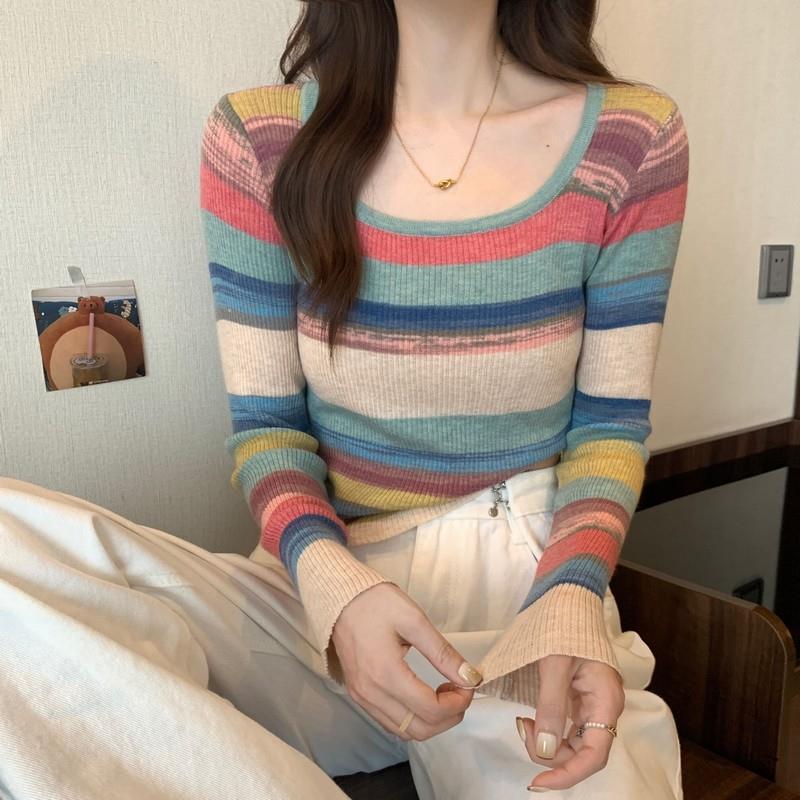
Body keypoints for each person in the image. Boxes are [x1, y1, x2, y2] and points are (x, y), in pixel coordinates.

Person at [0, 0, 689, 798]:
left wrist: (571, 595)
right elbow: (267, 431)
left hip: (520, 593)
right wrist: (336, 593)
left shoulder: (631, 139)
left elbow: (609, 429)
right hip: (318, 593)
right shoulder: (259, 139)